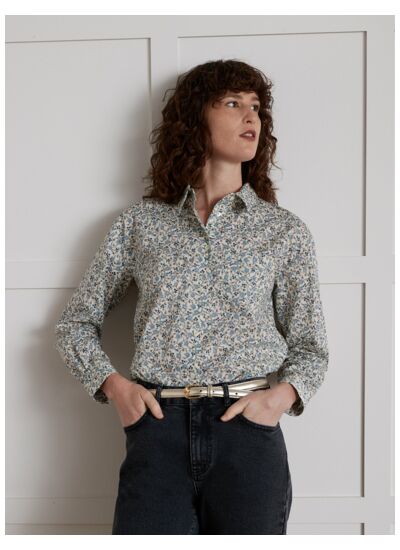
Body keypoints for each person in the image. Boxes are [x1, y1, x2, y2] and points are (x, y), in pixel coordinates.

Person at [54, 59, 329, 535]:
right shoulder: (141, 225)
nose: (251, 116)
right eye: (233, 103)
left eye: (257, 107)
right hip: (157, 430)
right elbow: (75, 324)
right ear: (196, 117)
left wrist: (276, 400)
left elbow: (311, 347)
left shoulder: (283, 231)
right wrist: (116, 388)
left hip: (248, 432)